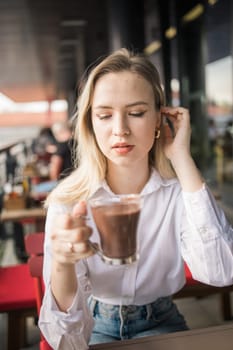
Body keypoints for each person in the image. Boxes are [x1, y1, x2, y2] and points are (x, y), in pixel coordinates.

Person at [39, 48, 233, 349]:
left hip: (162, 319)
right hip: (95, 323)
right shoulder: (68, 202)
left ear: (159, 118)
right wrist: (63, 263)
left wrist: (182, 158)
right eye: (104, 115)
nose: (120, 130)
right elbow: (65, 340)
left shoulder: (177, 193)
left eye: (137, 113)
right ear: (91, 123)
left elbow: (223, 272)